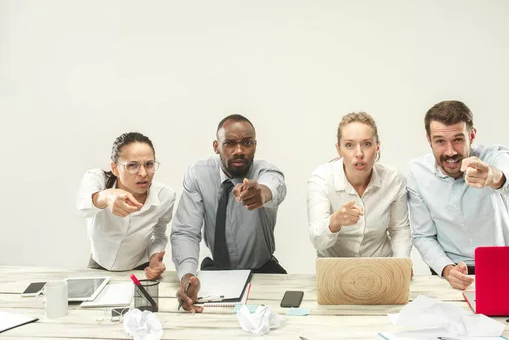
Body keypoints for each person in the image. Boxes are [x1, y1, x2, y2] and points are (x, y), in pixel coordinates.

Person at [171, 114, 287, 313]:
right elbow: (185, 232)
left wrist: (262, 194)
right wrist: (187, 277)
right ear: (216, 146)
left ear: (255, 145)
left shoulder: (265, 172)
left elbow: (275, 187)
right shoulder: (198, 175)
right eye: (230, 143)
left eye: (247, 143)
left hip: (263, 272)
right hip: (216, 274)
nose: (239, 150)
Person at [407, 100, 509, 290]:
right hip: (448, 271)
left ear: (472, 135)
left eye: (458, 139)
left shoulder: (493, 156)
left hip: (499, 267)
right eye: (440, 141)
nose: (450, 151)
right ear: (429, 140)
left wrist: (492, 176)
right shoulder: (417, 172)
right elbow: (423, 235)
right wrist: (446, 269)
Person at [307, 111, 412, 261]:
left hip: (381, 267)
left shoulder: (392, 179)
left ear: (377, 147)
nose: (359, 153)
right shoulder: (321, 178)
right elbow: (318, 240)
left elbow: (399, 230)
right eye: (349, 145)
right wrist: (335, 221)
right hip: (334, 271)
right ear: (338, 149)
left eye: (367, 144)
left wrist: (402, 263)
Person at [76, 132, 175, 280]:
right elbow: (82, 207)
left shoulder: (165, 196)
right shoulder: (97, 178)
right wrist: (106, 197)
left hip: (140, 270)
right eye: (132, 166)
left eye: (149, 164)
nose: (143, 173)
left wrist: (155, 257)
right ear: (115, 168)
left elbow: (159, 234)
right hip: (98, 266)